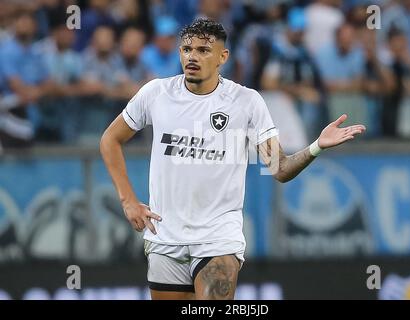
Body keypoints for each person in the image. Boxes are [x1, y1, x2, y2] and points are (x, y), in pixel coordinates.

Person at [100, 18, 366, 300]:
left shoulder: (246, 102)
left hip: (218, 238)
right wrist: (128, 200)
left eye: (203, 50)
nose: (192, 56)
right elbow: (109, 140)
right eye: (186, 49)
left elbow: (280, 169)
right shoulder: (156, 94)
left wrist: (316, 147)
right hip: (166, 238)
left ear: (222, 57)